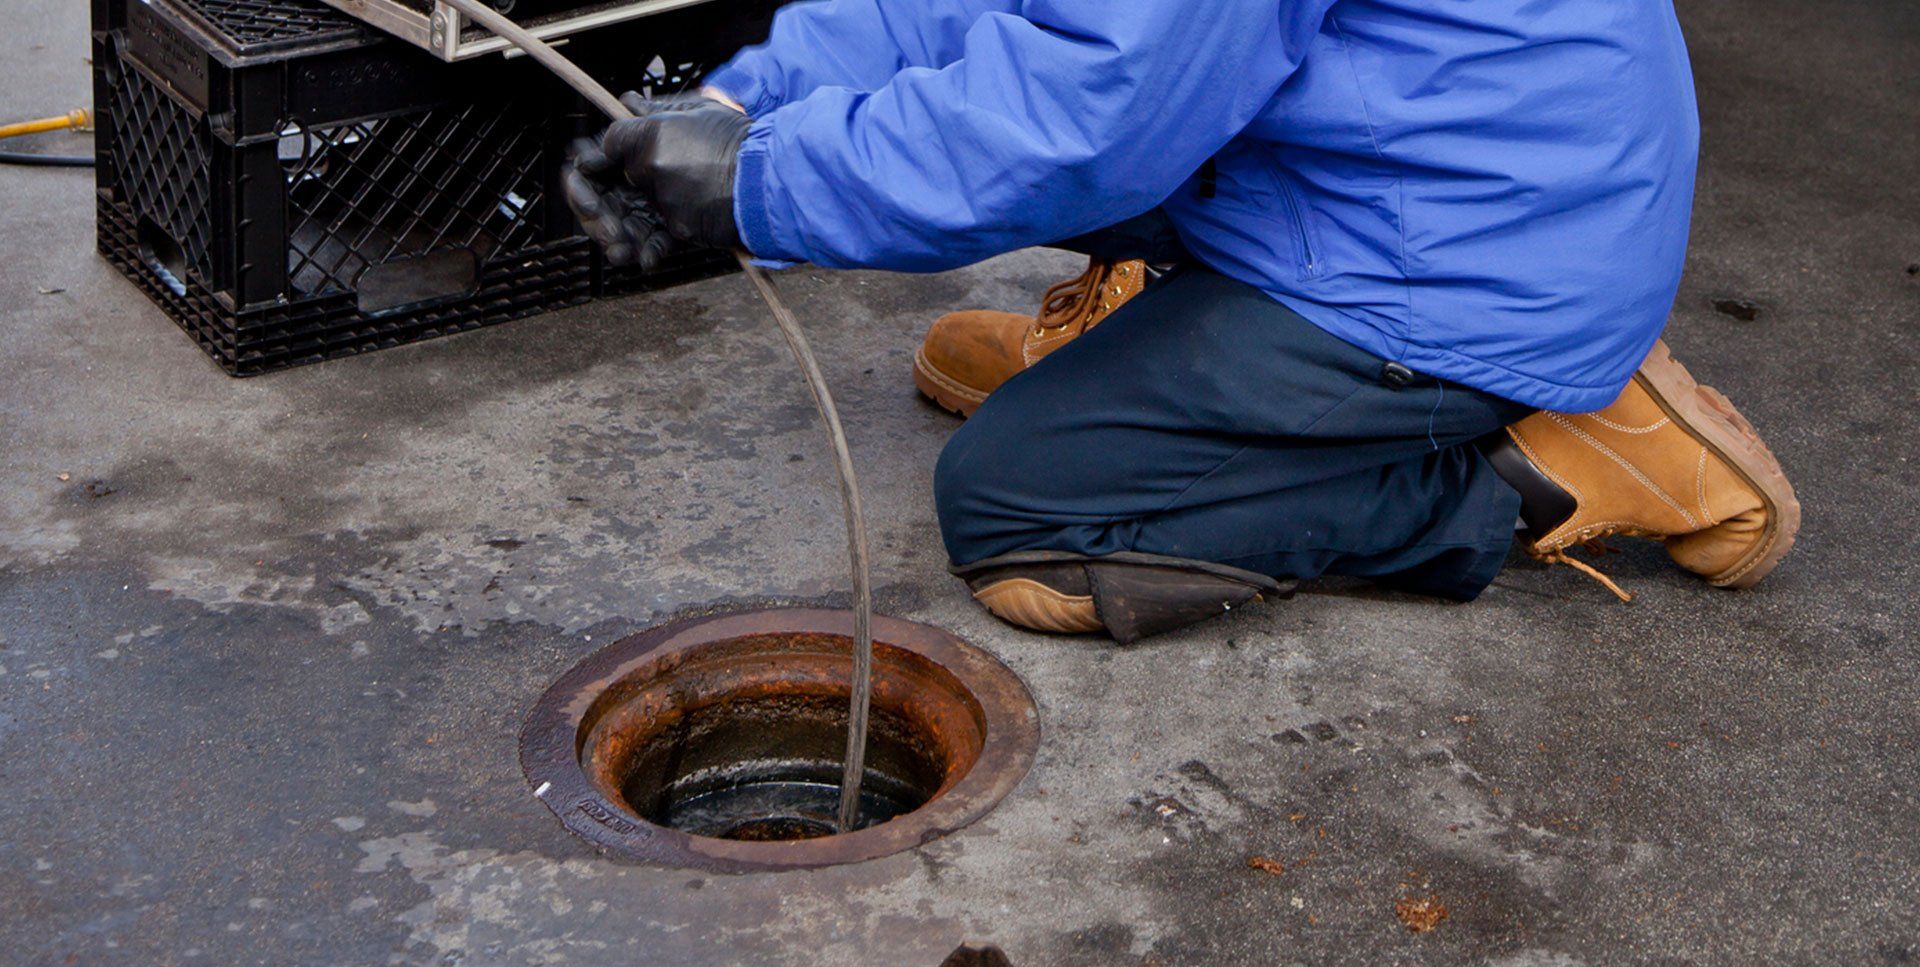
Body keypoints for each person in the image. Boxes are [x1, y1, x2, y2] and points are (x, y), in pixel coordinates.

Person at [565, 0, 1799, 643]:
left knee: (1023, 511)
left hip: (1471, 256)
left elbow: (1096, 112)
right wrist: (736, 107)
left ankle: (1533, 466)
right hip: (1420, 175)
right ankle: (1188, 370)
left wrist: (760, 182)